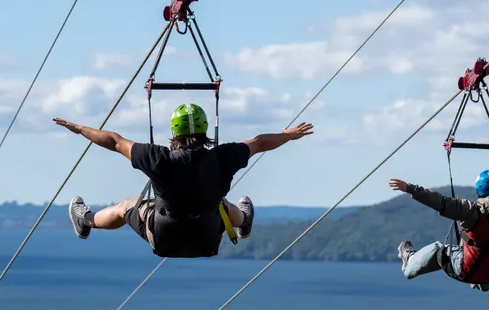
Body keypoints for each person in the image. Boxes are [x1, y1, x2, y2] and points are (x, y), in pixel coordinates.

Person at [52, 104, 313, 258]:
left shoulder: (157, 158)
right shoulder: (224, 157)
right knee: (218, 202)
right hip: (207, 239)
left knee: (126, 206)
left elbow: (115, 141)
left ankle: (84, 221)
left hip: (164, 239)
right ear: (205, 130)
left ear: (174, 131)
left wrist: (80, 129)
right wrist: (288, 135)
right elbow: (260, 142)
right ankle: (244, 222)